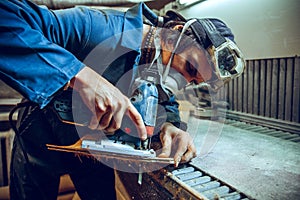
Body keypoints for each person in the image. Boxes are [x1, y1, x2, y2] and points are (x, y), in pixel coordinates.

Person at [0, 0, 245, 199]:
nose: (183, 81)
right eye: (190, 69)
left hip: (94, 150)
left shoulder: (158, 65)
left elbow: (164, 100)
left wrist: (171, 126)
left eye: (193, 81)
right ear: (175, 35)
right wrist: (78, 74)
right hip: (40, 136)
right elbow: (7, 17)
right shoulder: (98, 28)